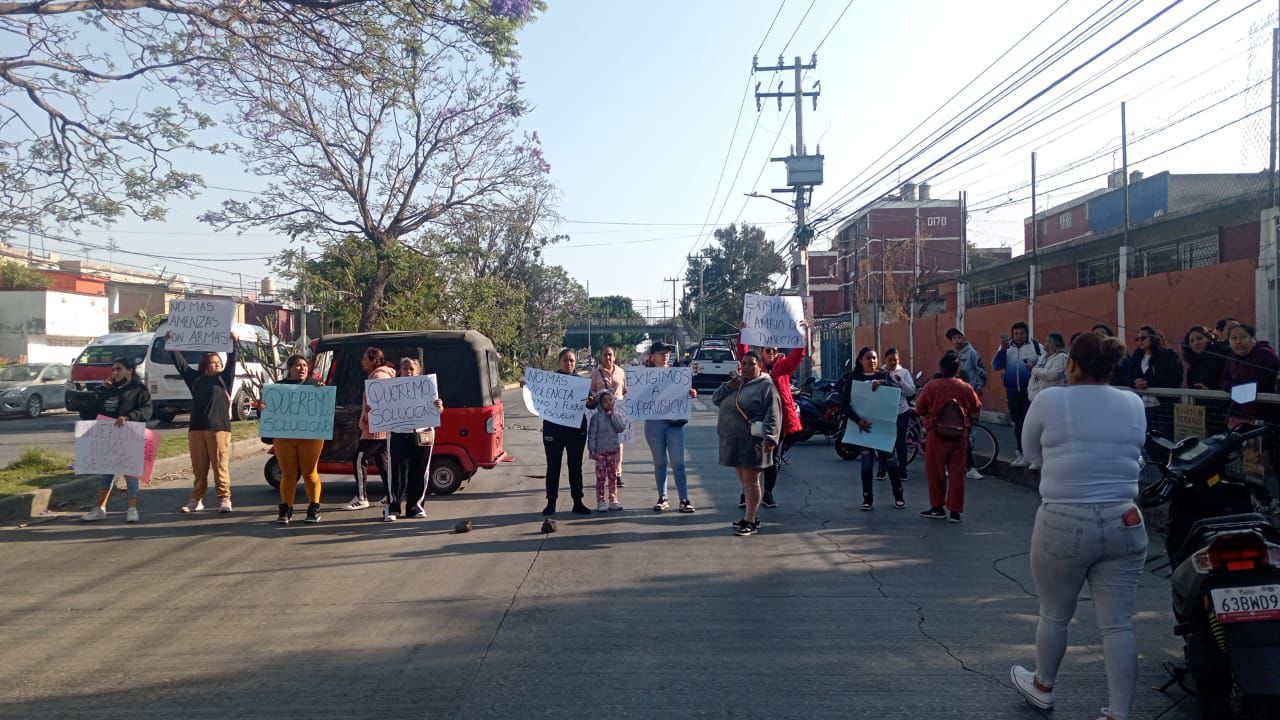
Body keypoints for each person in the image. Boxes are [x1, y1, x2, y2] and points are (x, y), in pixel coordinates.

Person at [1011, 332, 1148, 720]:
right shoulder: (1133, 402)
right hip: (1126, 518)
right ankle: (1119, 713)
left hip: (1063, 519)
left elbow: (1031, 452)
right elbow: (1137, 450)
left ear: (1071, 364)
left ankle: (1043, 687)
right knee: (1118, 624)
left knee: (1055, 613)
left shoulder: (1050, 399)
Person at [735, 322, 807, 509]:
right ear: (761, 351)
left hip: (777, 420)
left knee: (772, 458)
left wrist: (803, 333)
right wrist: (744, 332)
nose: (772, 353)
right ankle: (746, 493)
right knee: (750, 457)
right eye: (768, 350)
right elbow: (742, 353)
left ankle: (768, 494)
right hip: (754, 418)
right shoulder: (753, 367)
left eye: (774, 350)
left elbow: (798, 355)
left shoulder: (782, 367)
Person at [712, 351, 780, 536]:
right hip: (734, 440)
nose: (747, 367)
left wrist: (771, 438)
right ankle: (752, 515)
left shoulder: (766, 387)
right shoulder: (738, 383)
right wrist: (728, 386)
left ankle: (750, 521)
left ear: (760, 366)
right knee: (744, 480)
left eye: (752, 363)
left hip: (754, 441)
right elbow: (715, 399)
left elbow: (773, 414)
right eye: (744, 363)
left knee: (751, 481)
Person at [171, 333, 239, 513]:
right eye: (213, 362)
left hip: (218, 428)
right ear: (205, 365)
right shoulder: (196, 379)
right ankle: (196, 499)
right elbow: (181, 365)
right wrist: (171, 343)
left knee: (219, 465)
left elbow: (232, 362)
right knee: (199, 467)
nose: (217, 365)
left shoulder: (224, 379)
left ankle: (224, 498)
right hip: (196, 428)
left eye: (219, 363)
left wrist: (234, 342)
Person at [79, 357, 152, 523]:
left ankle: (132, 509)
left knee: (131, 474)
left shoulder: (139, 390)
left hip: (130, 435)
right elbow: (89, 410)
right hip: (109, 436)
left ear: (130, 370)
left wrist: (128, 417)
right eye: (113, 369)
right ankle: (100, 508)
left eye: (119, 369)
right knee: (106, 474)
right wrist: (100, 391)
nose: (115, 372)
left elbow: (146, 411)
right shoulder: (108, 389)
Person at [915, 351, 982, 523]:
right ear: (958, 369)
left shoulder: (932, 386)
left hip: (936, 434)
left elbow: (920, 408)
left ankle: (937, 508)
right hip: (960, 436)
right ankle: (955, 511)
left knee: (935, 472)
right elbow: (976, 407)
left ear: (941, 368)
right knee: (957, 473)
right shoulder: (965, 387)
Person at [839, 347, 905, 511]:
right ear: (860, 360)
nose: (872, 361)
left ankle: (899, 496)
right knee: (867, 464)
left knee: (891, 462)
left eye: (874, 358)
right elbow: (845, 404)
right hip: (863, 428)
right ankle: (867, 498)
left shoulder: (883, 376)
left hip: (882, 427)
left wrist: (883, 384)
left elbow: (896, 393)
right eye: (868, 358)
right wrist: (858, 421)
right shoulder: (853, 378)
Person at [384, 357, 444, 522]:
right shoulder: (391, 390)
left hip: (422, 434)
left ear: (418, 371)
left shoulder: (427, 388)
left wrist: (439, 407)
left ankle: (415, 507)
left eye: (411, 369)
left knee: (420, 471)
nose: (408, 372)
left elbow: (438, 411)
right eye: (405, 369)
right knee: (396, 474)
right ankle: (392, 508)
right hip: (398, 434)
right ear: (400, 371)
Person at [644, 342, 699, 513]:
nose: (666, 355)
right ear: (653, 357)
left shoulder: (679, 374)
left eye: (668, 352)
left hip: (675, 423)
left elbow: (686, 393)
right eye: (661, 353)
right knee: (660, 462)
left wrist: (691, 393)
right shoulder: (644, 376)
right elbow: (638, 398)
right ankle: (663, 497)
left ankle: (684, 499)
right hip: (653, 423)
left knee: (678, 463)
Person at [271, 354, 326, 525]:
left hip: (311, 437)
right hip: (284, 437)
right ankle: (286, 508)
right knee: (288, 474)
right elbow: (267, 412)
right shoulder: (277, 388)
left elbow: (326, 408)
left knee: (310, 472)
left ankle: (314, 508)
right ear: (289, 369)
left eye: (304, 365)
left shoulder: (315, 386)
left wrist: (323, 393)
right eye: (297, 365)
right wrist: (263, 407)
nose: (301, 368)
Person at [541, 348, 592, 516]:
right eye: (565, 360)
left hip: (576, 431)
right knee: (553, 466)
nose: (569, 363)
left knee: (575, 467)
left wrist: (593, 401)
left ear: (575, 362)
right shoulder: (550, 381)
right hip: (553, 430)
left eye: (571, 360)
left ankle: (578, 502)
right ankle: (551, 503)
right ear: (559, 362)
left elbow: (591, 405)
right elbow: (538, 398)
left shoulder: (582, 383)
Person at [349, 346, 396, 511]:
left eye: (364, 359)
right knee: (383, 463)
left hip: (374, 429)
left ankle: (361, 498)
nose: (362, 362)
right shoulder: (383, 374)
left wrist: (369, 417)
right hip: (381, 428)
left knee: (358, 459)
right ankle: (391, 496)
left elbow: (380, 402)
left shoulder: (379, 376)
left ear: (373, 360)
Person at [992, 321, 1042, 467]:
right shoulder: (1006, 348)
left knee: (1031, 424)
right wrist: (1002, 351)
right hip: (1012, 391)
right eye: (1016, 334)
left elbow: (1044, 365)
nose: (1019, 336)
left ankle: (1034, 455)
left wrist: (1034, 367)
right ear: (1012, 334)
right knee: (1018, 423)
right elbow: (996, 366)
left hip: (1031, 392)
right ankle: (1021, 453)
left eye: (1022, 333)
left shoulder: (1037, 347)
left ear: (1027, 334)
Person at [945, 327, 987, 480]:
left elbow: (981, 370)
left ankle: (969, 466)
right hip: (953, 398)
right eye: (954, 338)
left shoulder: (972, 353)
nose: (957, 340)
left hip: (969, 394)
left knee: (968, 433)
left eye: (959, 337)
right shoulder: (949, 355)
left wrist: (979, 388)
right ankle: (951, 465)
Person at [1219, 322, 1280, 423]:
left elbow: (1256, 386)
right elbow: (1223, 381)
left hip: (1267, 412)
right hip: (1242, 412)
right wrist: (1236, 387)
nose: (1238, 341)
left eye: (1243, 337)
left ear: (1253, 339)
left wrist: (1233, 387)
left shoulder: (1264, 354)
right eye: (1233, 338)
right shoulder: (1232, 357)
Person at [588, 346, 627, 488]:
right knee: (603, 444)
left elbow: (625, 390)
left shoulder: (621, 372)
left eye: (610, 355)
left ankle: (617, 474)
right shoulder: (595, 374)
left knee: (619, 445)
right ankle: (601, 475)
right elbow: (590, 391)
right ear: (601, 357)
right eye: (605, 355)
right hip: (601, 414)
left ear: (614, 357)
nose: (608, 357)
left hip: (617, 412)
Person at [877, 347, 916, 482]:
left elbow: (911, 391)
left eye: (895, 360)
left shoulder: (903, 373)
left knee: (900, 442)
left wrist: (900, 381)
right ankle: (882, 470)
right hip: (884, 412)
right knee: (882, 442)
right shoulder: (880, 372)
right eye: (890, 360)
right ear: (885, 360)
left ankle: (902, 471)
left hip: (901, 411)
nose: (893, 362)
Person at [587, 389, 626, 512]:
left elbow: (620, 428)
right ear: (600, 404)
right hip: (600, 452)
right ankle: (601, 500)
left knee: (612, 476)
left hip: (613, 451)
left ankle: (613, 499)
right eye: (604, 401)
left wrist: (613, 416)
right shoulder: (596, 418)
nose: (608, 403)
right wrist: (592, 449)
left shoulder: (617, 415)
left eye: (610, 400)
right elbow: (592, 434)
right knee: (601, 477)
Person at [1181, 325, 1228, 390]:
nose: (1196, 343)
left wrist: (1209, 390)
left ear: (1209, 338)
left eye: (1199, 338)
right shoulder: (1193, 367)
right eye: (1192, 341)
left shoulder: (1221, 356)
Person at [1028, 333, 1067, 404]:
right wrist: (1030, 391)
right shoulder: (1043, 356)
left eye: (1047, 341)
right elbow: (1034, 376)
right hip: (1036, 398)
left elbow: (1052, 375)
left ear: (1053, 343)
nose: (1044, 343)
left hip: (1052, 399)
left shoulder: (1061, 357)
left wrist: (1033, 369)